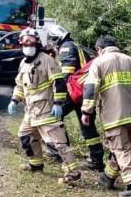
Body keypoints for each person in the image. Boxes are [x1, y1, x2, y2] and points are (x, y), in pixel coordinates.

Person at [81, 35, 131, 197]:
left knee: (121, 149)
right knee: (119, 145)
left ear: (99, 50)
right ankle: (109, 177)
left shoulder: (99, 63)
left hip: (113, 116)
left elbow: (90, 89)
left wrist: (86, 112)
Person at [7, 28, 81, 185]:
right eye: (24, 42)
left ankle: (72, 172)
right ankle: (36, 164)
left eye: (31, 41)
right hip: (31, 112)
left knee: (58, 143)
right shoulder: (23, 63)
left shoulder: (47, 60)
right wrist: (14, 100)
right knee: (26, 136)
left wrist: (59, 103)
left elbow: (59, 82)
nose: (28, 44)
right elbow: (20, 86)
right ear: (20, 44)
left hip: (47, 110)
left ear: (36, 42)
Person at [45, 25, 105, 170]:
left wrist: (58, 93)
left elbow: (67, 73)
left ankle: (61, 152)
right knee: (87, 125)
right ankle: (96, 160)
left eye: (52, 41)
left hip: (73, 92)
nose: (52, 44)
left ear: (56, 38)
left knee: (52, 117)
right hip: (85, 93)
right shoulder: (79, 47)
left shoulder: (66, 47)